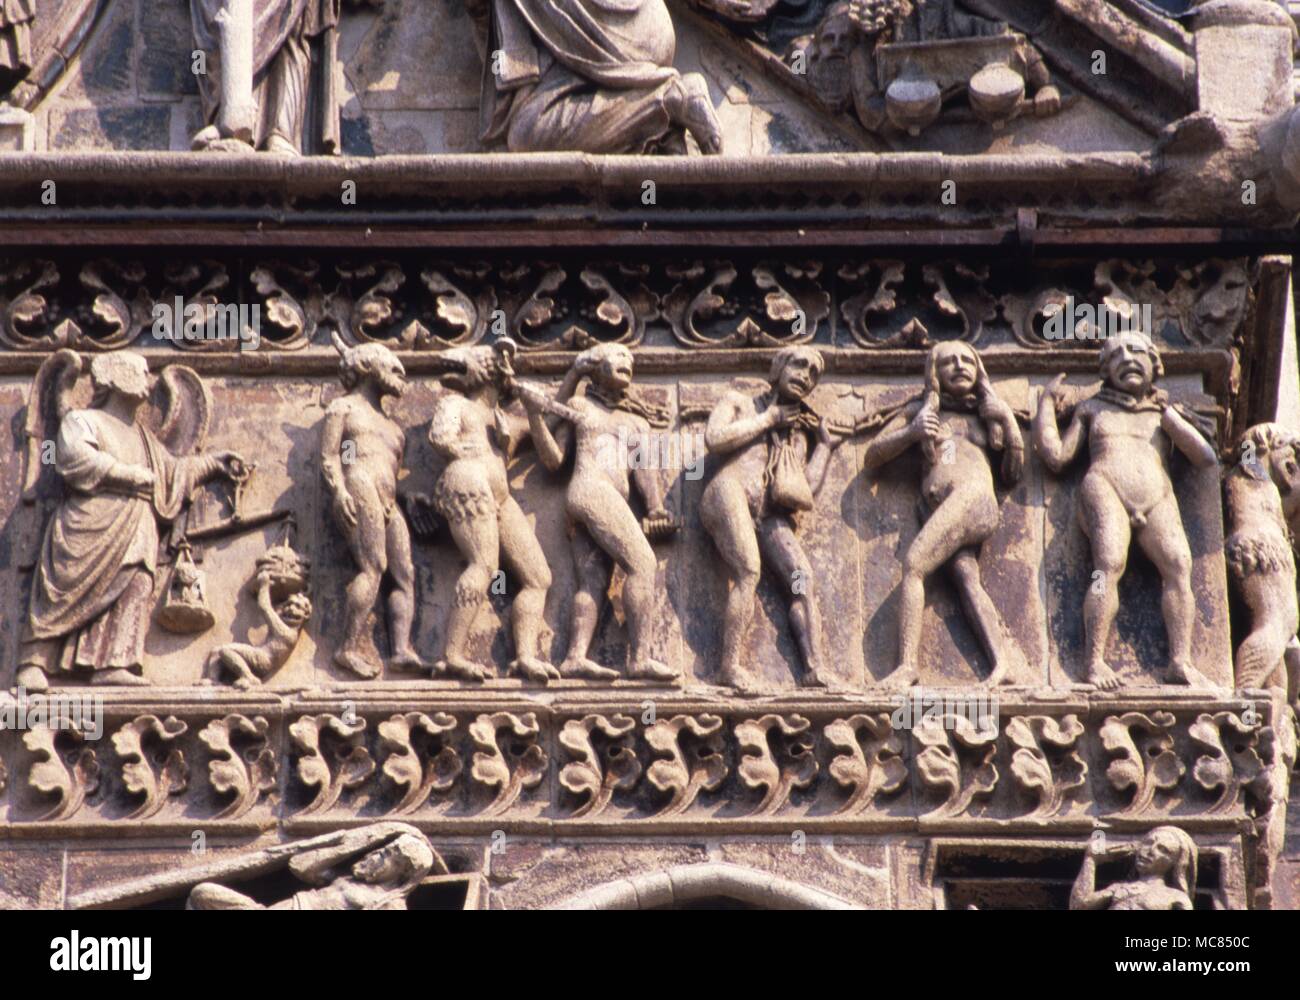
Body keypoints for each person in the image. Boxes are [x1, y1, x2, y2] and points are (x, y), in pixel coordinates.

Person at [19, 352, 245, 691]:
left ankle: (114, 662)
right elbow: (72, 459)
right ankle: (34, 662)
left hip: (138, 524)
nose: (146, 377)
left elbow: (172, 472)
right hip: (91, 521)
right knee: (63, 590)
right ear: (112, 378)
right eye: (137, 370)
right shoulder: (83, 421)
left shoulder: (143, 437)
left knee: (136, 584)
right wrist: (127, 475)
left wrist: (214, 464)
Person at [1033, 333, 1219, 690]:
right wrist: (1045, 406)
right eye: (1115, 355)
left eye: (1136, 351)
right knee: (1108, 565)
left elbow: (1206, 458)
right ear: (1104, 371)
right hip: (1107, 487)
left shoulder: (1163, 412)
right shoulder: (1092, 409)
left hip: (1156, 493)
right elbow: (1056, 457)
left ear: (1155, 364)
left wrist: (1172, 420)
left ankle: (1180, 660)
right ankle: (1094, 661)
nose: (1126, 358)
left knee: (1179, 567)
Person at [862, 341, 1023, 688]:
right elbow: (872, 455)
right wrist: (912, 432)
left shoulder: (985, 414)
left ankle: (907, 666)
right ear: (934, 372)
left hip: (974, 499)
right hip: (942, 508)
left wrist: (1009, 423)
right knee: (967, 578)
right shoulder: (920, 412)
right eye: (948, 361)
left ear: (979, 369)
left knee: (914, 565)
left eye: (967, 360)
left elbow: (1012, 474)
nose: (960, 366)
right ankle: (1002, 664)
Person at [518, 344, 678, 681]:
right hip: (591, 490)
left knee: (592, 580)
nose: (626, 362)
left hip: (598, 502)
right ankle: (639, 658)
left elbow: (643, 471)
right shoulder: (580, 407)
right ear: (595, 365)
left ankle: (575, 656)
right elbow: (553, 460)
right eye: (618, 357)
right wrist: (535, 415)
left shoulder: (636, 422)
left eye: (630, 359)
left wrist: (655, 508)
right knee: (643, 564)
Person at [700, 347, 843, 691]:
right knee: (748, 570)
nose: (805, 375)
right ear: (778, 368)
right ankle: (729, 667)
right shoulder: (740, 402)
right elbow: (715, 439)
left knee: (801, 578)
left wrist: (824, 446)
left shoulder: (796, 433)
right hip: (728, 493)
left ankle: (813, 668)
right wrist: (769, 420)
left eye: (813, 373)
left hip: (768, 513)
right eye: (799, 364)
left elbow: (803, 490)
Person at [427, 343, 556, 683]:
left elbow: (552, 425)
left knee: (538, 577)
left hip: (500, 496)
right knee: (485, 565)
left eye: (463, 362)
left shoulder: (503, 418)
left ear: (488, 372)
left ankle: (525, 655)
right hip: (468, 480)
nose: (450, 366)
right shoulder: (455, 403)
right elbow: (440, 436)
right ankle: (452, 655)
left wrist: (536, 407)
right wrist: (458, 449)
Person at [467, 0, 724, 154]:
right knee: (527, 128)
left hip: (620, 38)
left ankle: (669, 99)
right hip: (629, 33)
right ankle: (663, 132)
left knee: (526, 134)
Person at [320, 335, 422, 676]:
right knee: (374, 566)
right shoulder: (345, 408)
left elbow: (392, 473)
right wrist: (341, 490)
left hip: (388, 498)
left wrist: (410, 498)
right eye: (388, 361)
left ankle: (401, 650)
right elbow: (334, 455)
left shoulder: (394, 429)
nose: (399, 369)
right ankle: (347, 648)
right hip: (359, 484)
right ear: (365, 366)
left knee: (405, 573)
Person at [1070, 826, 1196, 911]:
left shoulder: (1175, 897)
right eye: (1148, 843)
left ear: (1174, 864)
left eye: (1163, 850)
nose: (1150, 851)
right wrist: (1090, 860)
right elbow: (1079, 905)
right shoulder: (1119, 889)